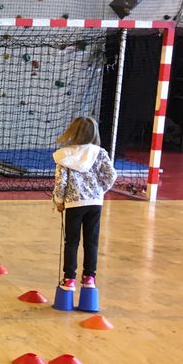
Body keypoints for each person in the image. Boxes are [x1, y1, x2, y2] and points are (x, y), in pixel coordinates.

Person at [52, 116, 118, 290]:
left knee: (71, 241)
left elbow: (61, 182)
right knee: (91, 241)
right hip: (95, 203)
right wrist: (99, 191)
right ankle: (89, 278)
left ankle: (69, 279)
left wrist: (59, 201)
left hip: (74, 204)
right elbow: (111, 175)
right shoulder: (100, 153)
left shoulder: (64, 155)